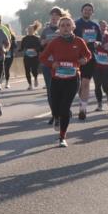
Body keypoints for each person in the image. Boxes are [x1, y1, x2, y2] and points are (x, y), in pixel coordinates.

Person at [39, 12, 91, 148]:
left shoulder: (79, 41)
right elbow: (43, 57)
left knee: (65, 107)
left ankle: (62, 137)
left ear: (73, 27)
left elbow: (88, 54)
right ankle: (56, 116)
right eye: (62, 26)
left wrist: (84, 60)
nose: (65, 28)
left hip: (73, 79)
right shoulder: (54, 42)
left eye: (68, 25)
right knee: (55, 107)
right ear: (59, 28)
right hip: (57, 78)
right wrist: (52, 64)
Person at [73, 2, 103, 121]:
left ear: (92, 12)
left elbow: (100, 41)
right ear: (82, 11)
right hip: (76, 58)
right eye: (85, 9)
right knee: (78, 85)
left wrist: (97, 43)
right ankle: (81, 103)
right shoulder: (75, 25)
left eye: (90, 10)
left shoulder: (95, 26)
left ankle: (83, 108)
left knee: (85, 83)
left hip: (90, 57)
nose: (87, 11)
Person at [40, 7, 64, 127]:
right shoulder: (45, 31)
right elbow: (40, 45)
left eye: (57, 15)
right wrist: (44, 42)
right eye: (52, 15)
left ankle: (61, 111)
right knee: (50, 90)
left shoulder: (65, 29)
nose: (54, 17)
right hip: (48, 64)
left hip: (62, 64)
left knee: (61, 90)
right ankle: (55, 115)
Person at [93, 20, 108, 110]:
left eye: (104, 26)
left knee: (105, 85)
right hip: (96, 66)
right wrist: (93, 47)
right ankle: (99, 104)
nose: (102, 28)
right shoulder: (93, 37)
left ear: (106, 27)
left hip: (107, 66)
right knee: (97, 85)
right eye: (100, 26)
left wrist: (107, 48)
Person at [0, 15, 17, 89]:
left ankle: (7, 82)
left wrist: (6, 49)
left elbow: (9, 41)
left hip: (5, 51)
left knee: (6, 68)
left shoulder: (4, 28)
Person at [19, 22, 42, 89]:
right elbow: (22, 47)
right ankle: (30, 85)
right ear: (27, 30)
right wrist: (19, 50)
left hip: (35, 57)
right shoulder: (24, 39)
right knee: (27, 71)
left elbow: (40, 47)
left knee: (34, 70)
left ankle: (35, 78)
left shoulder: (37, 38)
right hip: (27, 57)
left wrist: (35, 49)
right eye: (28, 29)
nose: (29, 30)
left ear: (34, 30)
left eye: (31, 29)